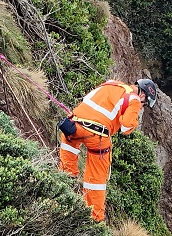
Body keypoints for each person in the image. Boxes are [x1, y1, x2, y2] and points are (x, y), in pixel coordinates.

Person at [57, 78, 158, 221]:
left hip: (73, 125)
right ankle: (94, 218)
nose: (142, 107)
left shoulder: (111, 84)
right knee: (96, 179)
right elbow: (126, 127)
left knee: (68, 151)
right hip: (97, 136)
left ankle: (64, 185)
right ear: (143, 96)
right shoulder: (134, 99)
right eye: (145, 104)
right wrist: (134, 118)